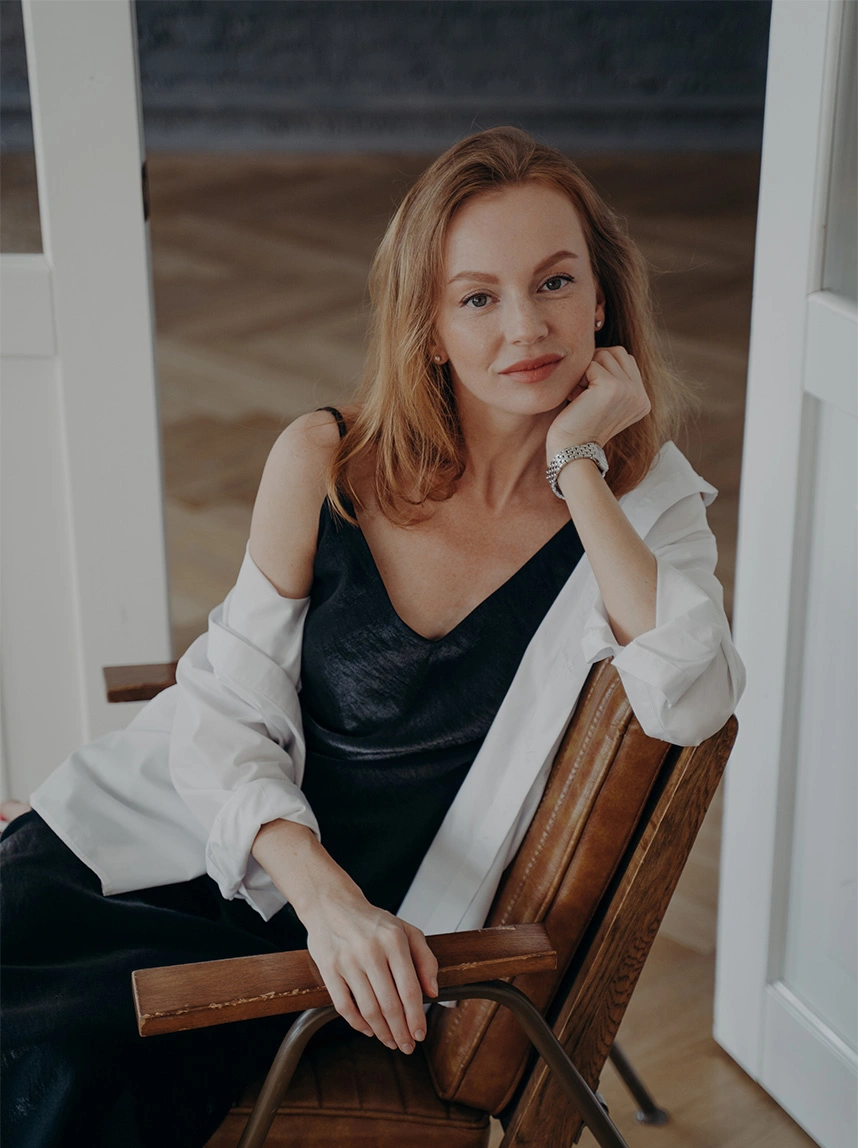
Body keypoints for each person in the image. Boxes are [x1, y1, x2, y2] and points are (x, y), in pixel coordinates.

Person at [0, 126, 745, 1147]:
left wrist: (580, 466)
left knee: (56, 1061)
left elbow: (694, 695)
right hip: (193, 852)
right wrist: (326, 896)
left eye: (556, 282)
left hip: (320, 961)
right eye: (478, 296)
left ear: (602, 297)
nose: (526, 325)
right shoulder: (327, 461)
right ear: (428, 327)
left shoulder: (643, 514)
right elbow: (220, 711)